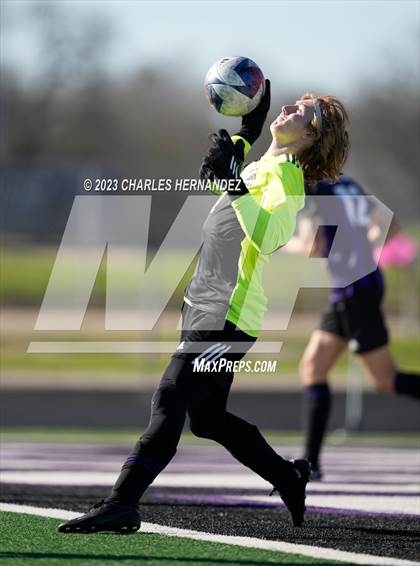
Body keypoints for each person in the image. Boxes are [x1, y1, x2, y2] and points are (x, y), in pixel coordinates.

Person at [58, 81, 350, 533]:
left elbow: (271, 236)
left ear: (310, 138)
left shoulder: (286, 176)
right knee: (208, 419)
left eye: (302, 113)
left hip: (227, 318)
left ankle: (122, 502)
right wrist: (243, 134)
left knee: (170, 397)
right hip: (206, 308)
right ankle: (288, 475)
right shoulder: (263, 165)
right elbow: (235, 175)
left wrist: (231, 180)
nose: (290, 107)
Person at [282, 176, 420, 480]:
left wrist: (274, 243)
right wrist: (362, 247)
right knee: (313, 367)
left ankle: (311, 462)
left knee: (385, 379)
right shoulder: (348, 184)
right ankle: (311, 462)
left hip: (353, 293)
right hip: (356, 288)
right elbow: (390, 224)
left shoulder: (315, 191)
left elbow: (313, 245)